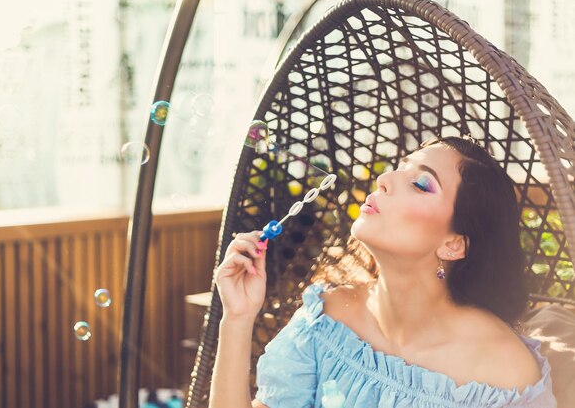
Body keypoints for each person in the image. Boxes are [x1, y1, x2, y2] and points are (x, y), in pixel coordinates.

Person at [208, 136, 557, 408]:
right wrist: (237, 318)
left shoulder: (503, 373)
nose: (385, 178)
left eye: (421, 184)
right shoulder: (325, 320)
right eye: (398, 168)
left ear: (454, 244)